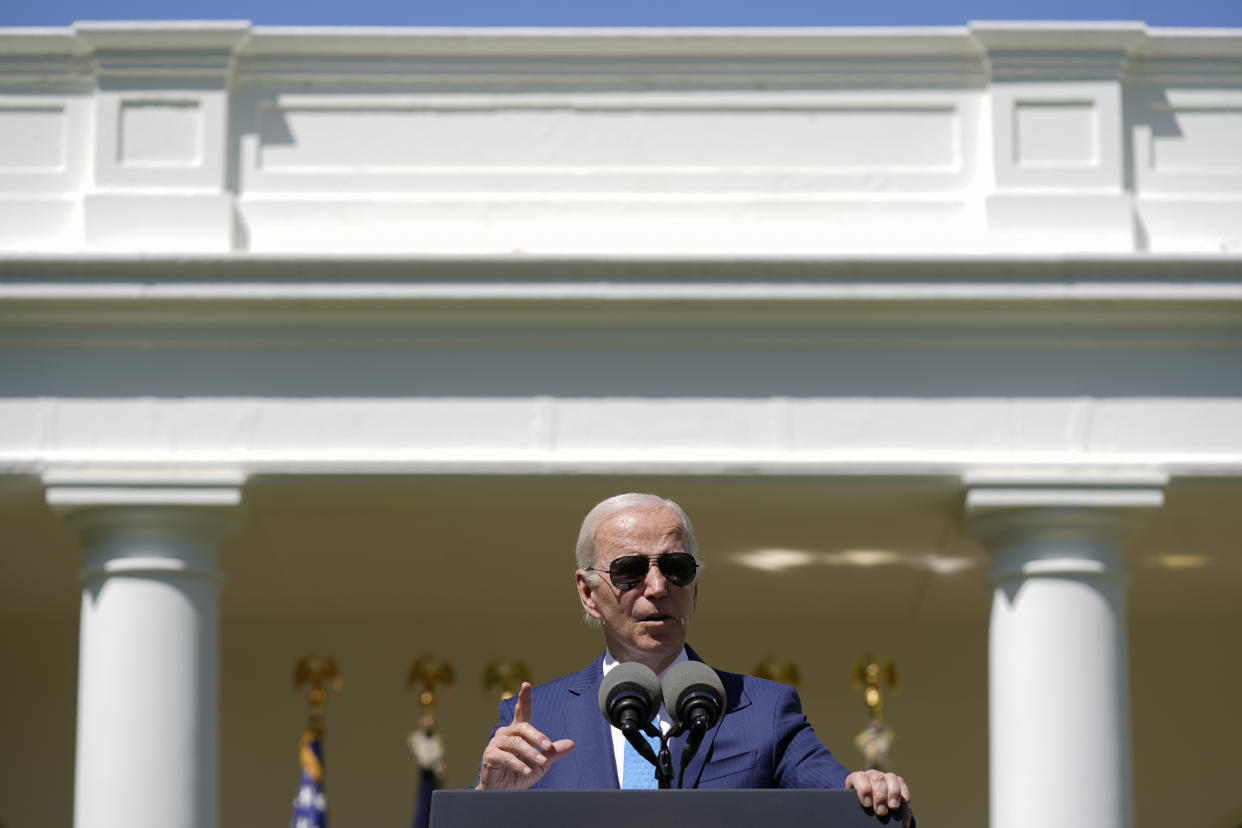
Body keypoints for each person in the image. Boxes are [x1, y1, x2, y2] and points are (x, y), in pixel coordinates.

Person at [475, 493, 914, 825]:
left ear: (696, 587)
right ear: (589, 594)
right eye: (630, 570)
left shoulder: (764, 710)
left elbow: (848, 807)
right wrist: (488, 799)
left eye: (676, 567)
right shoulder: (536, 722)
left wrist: (876, 793)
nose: (657, 586)